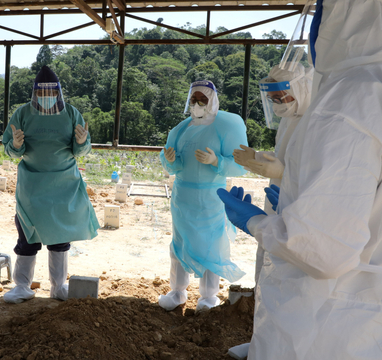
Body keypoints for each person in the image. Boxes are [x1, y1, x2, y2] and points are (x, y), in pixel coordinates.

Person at [218, 0, 382, 358]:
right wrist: (295, 190)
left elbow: (323, 252)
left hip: (325, 320)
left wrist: (257, 222)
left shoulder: (350, 98)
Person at [2, 65, 99, 303]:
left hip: (63, 185)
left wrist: (82, 141)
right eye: (42, 94)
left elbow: (81, 151)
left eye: (50, 93)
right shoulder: (23, 114)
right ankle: (22, 286)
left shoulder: (71, 114)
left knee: (59, 237)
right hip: (32, 187)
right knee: (27, 237)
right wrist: (15, 144)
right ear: (35, 93)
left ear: (58, 92)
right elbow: (11, 151)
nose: (46, 98)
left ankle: (58, 286)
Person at [158, 80, 248, 313]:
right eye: (193, 100)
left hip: (211, 198)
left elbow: (240, 165)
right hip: (183, 198)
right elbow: (174, 166)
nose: (197, 104)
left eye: (202, 100)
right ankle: (177, 292)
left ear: (213, 101)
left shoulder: (226, 125)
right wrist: (170, 159)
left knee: (212, 246)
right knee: (179, 245)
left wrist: (217, 161)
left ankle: (208, 297)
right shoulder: (181, 129)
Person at [233, 62, 313, 284]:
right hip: (279, 198)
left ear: (302, 89)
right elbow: (284, 154)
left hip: (303, 207)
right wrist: (257, 158)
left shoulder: (318, 121)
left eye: (281, 97)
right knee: (271, 249)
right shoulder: (290, 118)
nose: (277, 104)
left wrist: (285, 173)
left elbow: (322, 172)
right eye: (272, 99)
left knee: (293, 263)